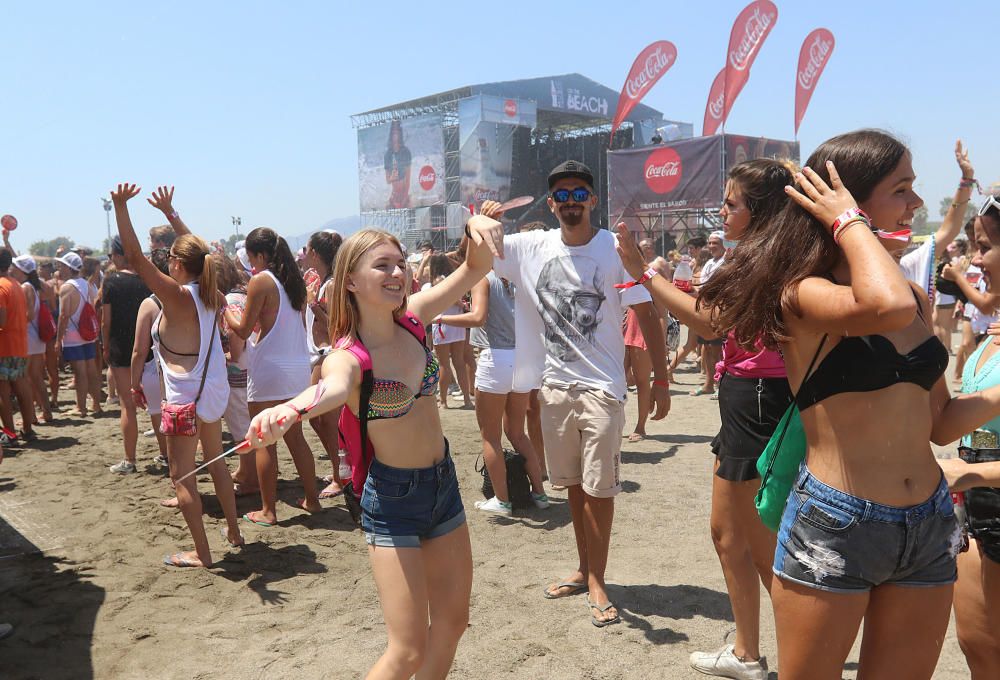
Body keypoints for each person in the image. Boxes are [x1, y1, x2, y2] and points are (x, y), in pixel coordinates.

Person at [703, 130, 959, 679]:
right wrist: (847, 221)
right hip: (838, 523)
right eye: (903, 188)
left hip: (929, 522)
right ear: (850, 201)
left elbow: (942, 423)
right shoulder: (802, 293)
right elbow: (882, 306)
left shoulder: (911, 293)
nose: (916, 203)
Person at [247, 220, 501, 678]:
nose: (397, 273)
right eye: (381, 265)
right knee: (406, 650)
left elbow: (476, 267)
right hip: (393, 498)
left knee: (453, 623)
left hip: (443, 486)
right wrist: (289, 410)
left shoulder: (416, 317)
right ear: (349, 280)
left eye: (400, 263)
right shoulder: (346, 353)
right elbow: (331, 388)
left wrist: (475, 225)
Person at [472, 160, 670, 627]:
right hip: (555, 388)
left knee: (600, 490)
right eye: (560, 195)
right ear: (551, 203)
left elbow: (648, 317)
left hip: (602, 389)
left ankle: (598, 579)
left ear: (593, 200)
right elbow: (478, 254)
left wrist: (659, 380)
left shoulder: (614, 250)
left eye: (578, 193)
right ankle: (584, 570)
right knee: (575, 488)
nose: (569, 203)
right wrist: (481, 220)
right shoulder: (531, 247)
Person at [619, 159, 796, 678]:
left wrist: (644, 273)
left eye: (731, 202)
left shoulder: (767, 257)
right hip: (746, 396)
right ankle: (747, 654)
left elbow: (707, 321)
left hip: (760, 398)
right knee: (727, 535)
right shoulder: (758, 255)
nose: (722, 210)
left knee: (763, 549)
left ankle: (803, 660)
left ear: (758, 212)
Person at [113, 183, 242, 568]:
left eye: (170, 257)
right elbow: (202, 253)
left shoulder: (177, 295)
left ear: (177, 263)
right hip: (211, 393)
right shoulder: (211, 291)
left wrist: (121, 207)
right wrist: (171, 214)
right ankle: (233, 532)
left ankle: (202, 553)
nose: (166, 262)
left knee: (182, 477)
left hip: (183, 398)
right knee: (216, 463)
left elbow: (134, 257)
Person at [933, 196, 1000, 678]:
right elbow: (944, 425)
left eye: (985, 246)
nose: (974, 259)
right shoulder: (989, 332)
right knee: (978, 644)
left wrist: (970, 471)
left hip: (979, 484)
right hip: (977, 513)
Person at [224, 226, 319, 526]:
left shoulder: (262, 281)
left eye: (252, 258)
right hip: (296, 366)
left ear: (261, 256)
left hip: (270, 369)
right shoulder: (293, 281)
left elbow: (241, 328)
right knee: (296, 437)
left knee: (264, 439)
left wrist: (224, 307)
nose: (251, 264)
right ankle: (313, 500)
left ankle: (269, 510)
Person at [436, 269, 548, 515]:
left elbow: (478, 317)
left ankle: (502, 500)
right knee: (518, 433)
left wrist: (441, 318)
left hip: (496, 357)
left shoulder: (483, 277)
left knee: (491, 436)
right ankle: (539, 493)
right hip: (523, 357)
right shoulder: (522, 275)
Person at [898, 140, 976, 297]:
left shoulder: (908, 267)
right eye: (899, 190)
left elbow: (949, 229)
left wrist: (967, 179)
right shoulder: (839, 284)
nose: (918, 202)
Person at [302, 230, 347, 499]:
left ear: (316, 254)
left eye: (307, 250)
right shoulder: (322, 281)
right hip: (320, 352)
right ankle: (339, 470)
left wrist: (313, 305)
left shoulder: (330, 285)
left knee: (327, 420)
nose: (304, 255)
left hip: (330, 352)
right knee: (318, 418)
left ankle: (341, 476)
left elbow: (337, 325)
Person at [102, 236, 152, 474]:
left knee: (127, 405)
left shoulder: (111, 282)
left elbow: (106, 321)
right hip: (149, 347)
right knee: (156, 405)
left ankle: (130, 460)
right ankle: (164, 455)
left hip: (121, 348)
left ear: (118, 255)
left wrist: (104, 346)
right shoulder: (147, 280)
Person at [130, 250, 169, 468]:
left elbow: (139, 349)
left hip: (157, 369)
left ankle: (166, 455)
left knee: (157, 413)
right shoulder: (187, 296)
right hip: (187, 367)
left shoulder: (150, 303)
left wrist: (134, 384)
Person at [55, 252, 102, 417]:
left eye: (62, 265)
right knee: (91, 369)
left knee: (79, 372)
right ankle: (96, 404)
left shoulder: (67, 287)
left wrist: (58, 339)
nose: (59, 268)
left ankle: (80, 407)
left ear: (69, 268)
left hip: (73, 335)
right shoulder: (88, 285)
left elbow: (64, 315)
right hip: (88, 332)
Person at [425, 254, 473, 409]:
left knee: (444, 364)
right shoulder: (452, 279)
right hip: (457, 322)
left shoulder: (434, 282)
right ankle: (466, 399)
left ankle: (444, 401)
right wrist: (463, 305)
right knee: (459, 363)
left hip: (441, 323)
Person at [0, 250, 38, 446]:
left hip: (4, 347)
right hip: (19, 344)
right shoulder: (16, 284)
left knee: (3, 392)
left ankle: (10, 433)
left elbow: (1, 321)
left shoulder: (1, 287)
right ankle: (28, 429)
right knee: (23, 388)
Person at [10, 255, 53, 425]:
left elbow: (29, 314)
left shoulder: (26, 287)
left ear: (21, 270)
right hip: (36, 337)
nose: (12, 269)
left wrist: (13, 323)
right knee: (36, 377)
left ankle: (31, 416)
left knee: (27, 378)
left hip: (27, 336)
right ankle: (46, 412)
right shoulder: (34, 286)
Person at [691, 231, 727, 397]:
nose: (712, 246)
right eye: (710, 243)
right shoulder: (710, 263)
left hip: (722, 311)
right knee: (706, 347)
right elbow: (702, 286)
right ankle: (709, 384)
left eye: (716, 243)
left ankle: (721, 385)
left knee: (719, 350)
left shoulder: (727, 261)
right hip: (707, 309)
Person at [384, 120, 412, 209]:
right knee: (386, 208)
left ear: (400, 133)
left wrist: (405, 197)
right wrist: (391, 178)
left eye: (397, 132)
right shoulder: (388, 154)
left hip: (405, 194)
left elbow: (408, 180)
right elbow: (388, 181)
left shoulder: (406, 152)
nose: (395, 135)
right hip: (394, 195)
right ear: (391, 134)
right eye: (393, 132)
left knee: (412, 207)